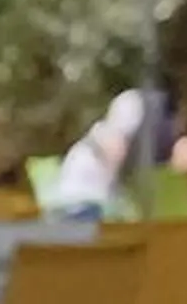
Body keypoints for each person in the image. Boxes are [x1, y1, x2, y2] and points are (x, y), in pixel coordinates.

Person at [53, 89, 151, 223]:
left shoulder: (99, 132)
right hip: (84, 208)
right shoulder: (114, 141)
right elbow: (112, 186)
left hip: (67, 205)